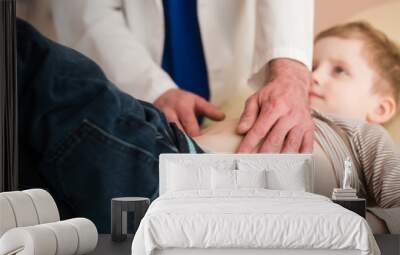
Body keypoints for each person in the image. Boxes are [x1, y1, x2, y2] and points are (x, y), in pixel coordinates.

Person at [18, 19, 399, 235]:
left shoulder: (363, 138)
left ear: (381, 107)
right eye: (312, 63)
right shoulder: (262, 106)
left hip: (181, 186)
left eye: (339, 70)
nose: (313, 78)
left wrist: (323, 223)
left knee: (35, 65)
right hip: (164, 151)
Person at [50, 0, 315, 154]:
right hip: (126, 76)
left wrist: (290, 72)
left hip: (229, 83)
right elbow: (88, 13)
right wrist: (154, 90)